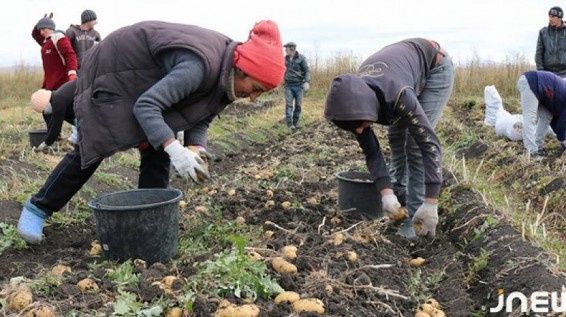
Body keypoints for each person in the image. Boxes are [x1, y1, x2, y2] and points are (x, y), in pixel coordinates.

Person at [17, 20, 286, 245]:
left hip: (149, 83)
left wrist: (195, 150)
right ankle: (38, 208)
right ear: (244, 69)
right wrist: (173, 146)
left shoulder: (228, 77)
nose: (253, 98)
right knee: (95, 146)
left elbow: (201, 117)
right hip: (116, 73)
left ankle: (147, 221)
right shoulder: (199, 66)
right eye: (257, 88)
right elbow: (146, 105)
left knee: (158, 148)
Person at [324, 38, 455, 240]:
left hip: (434, 68)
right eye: (354, 128)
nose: (360, 132)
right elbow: (372, 151)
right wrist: (386, 192)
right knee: (395, 136)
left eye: (361, 125)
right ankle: (399, 192)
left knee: (414, 143)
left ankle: (416, 215)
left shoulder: (398, 95)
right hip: (399, 74)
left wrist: (431, 201)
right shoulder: (354, 100)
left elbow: (429, 144)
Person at [517, 70, 566, 157]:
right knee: (530, 117)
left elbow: (556, 124)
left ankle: (538, 146)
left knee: (546, 116)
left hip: (543, 90)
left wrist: (561, 137)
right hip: (532, 81)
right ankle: (532, 152)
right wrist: (563, 140)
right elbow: (562, 124)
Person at [32, 13, 78, 90]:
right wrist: (41, 21)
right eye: (40, 30)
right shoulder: (45, 41)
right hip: (49, 84)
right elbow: (34, 34)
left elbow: (70, 55)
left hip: (61, 84)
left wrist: (72, 73)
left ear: (50, 28)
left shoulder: (58, 37)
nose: (41, 33)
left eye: (43, 29)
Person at [30, 81, 79, 152]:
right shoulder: (57, 97)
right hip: (81, 106)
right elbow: (53, 122)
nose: (45, 113)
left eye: (43, 110)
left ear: (46, 104)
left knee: (83, 127)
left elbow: (56, 128)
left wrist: (46, 143)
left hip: (90, 104)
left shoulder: (58, 103)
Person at [283, 42, 310, 129]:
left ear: (291, 49)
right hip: (288, 85)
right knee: (289, 104)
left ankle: (296, 122)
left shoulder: (301, 58)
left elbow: (306, 70)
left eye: (286, 48)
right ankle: (289, 124)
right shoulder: (285, 59)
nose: (285, 50)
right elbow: (280, 71)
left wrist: (307, 81)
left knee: (298, 105)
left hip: (299, 85)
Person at [535, 6, 566, 77]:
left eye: (553, 17)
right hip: (547, 73)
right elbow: (539, 54)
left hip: (564, 73)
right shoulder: (543, 32)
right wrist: (541, 72)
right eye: (549, 16)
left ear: (560, 17)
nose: (550, 19)